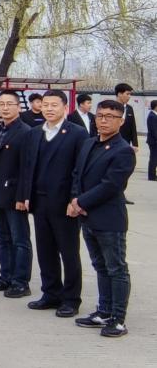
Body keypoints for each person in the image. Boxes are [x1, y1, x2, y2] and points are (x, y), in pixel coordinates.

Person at [17, 89, 89, 318]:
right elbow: (28, 166)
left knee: (69, 253)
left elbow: (80, 170)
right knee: (45, 250)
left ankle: (71, 299)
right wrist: (25, 195)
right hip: (40, 201)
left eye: (54, 105)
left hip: (65, 203)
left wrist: (74, 199)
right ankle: (50, 293)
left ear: (65, 107)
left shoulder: (77, 134)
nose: (48, 109)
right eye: (45, 104)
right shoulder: (34, 133)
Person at [69, 99, 136, 338]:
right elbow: (77, 174)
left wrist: (81, 203)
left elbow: (111, 185)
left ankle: (118, 319)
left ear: (121, 121)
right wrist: (75, 199)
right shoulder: (89, 143)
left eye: (110, 116)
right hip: (87, 217)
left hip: (109, 219)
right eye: (100, 116)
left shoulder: (123, 150)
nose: (104, 120)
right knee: (100, 266)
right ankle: (104, 311)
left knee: (116, 268)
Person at [0, 90, 34, 298]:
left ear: (19, 107)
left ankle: (21, 282)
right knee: (3, 238)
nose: (5, 108)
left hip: (14, 195)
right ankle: (6, 276)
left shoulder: (26, 132)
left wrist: (22, 196)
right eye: (1, 104)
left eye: (9, 104)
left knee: (20, 240)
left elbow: (27, 168)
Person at [114, 83, 139, 152]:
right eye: (127, 94)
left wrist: (135, 144)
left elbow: (133, 126)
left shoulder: (129, 108)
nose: (129, 96)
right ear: (119, 94)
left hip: (126, 142)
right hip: (113, 142)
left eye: (130, 94)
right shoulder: (110, 107)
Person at [147, 100, 157, 181]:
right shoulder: (152, 116)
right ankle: (152, 176)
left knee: (154, 158)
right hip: (154, 141)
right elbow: (154, 130)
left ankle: (153, 175)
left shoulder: (154, 115)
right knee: (153, 158)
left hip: (154, 140)